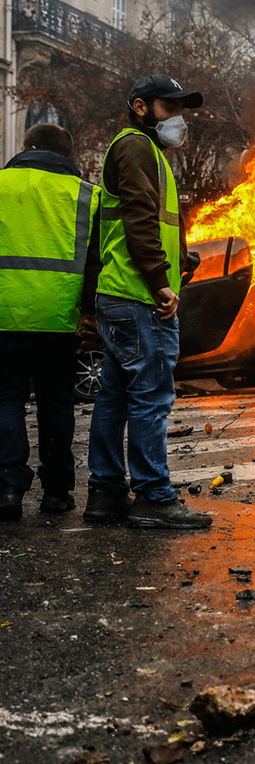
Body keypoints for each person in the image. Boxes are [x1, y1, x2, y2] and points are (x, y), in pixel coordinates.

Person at [84, 74, 211, 529]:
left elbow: (130, 224)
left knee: (114, 397)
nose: (177, 117)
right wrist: (160, 281)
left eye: (181, 108)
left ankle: (106, 493)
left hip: (118, 293)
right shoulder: (137, 147)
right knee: (151, 398)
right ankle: (154, 496)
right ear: (141, 106)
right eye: (169, 106)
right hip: (140, 298)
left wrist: (180, 257)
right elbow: (139, 218)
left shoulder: (141, 150)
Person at [0, 124, 100, 520]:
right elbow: (94, 262)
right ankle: (57, 492)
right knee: (56, 403)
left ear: (28, 148)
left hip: (5, 315)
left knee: (6, 400)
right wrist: (90, 312)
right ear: (67, 154)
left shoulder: (2, 185)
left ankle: (8, 488)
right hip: (61, 318)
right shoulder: (85, 195)